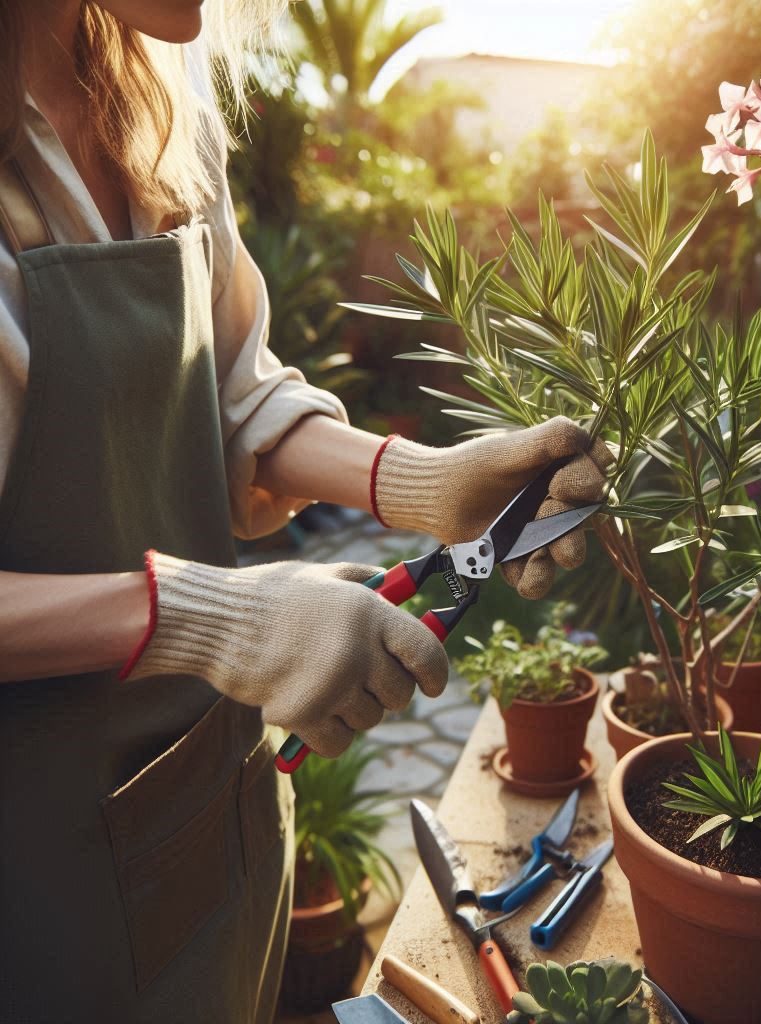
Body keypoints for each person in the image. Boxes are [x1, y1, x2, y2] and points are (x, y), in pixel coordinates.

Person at [0, 2, 610, 1020]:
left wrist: (419, 481)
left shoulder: (160, 86)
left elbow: (226, 388)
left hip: (208, 812)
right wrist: (207, 619)